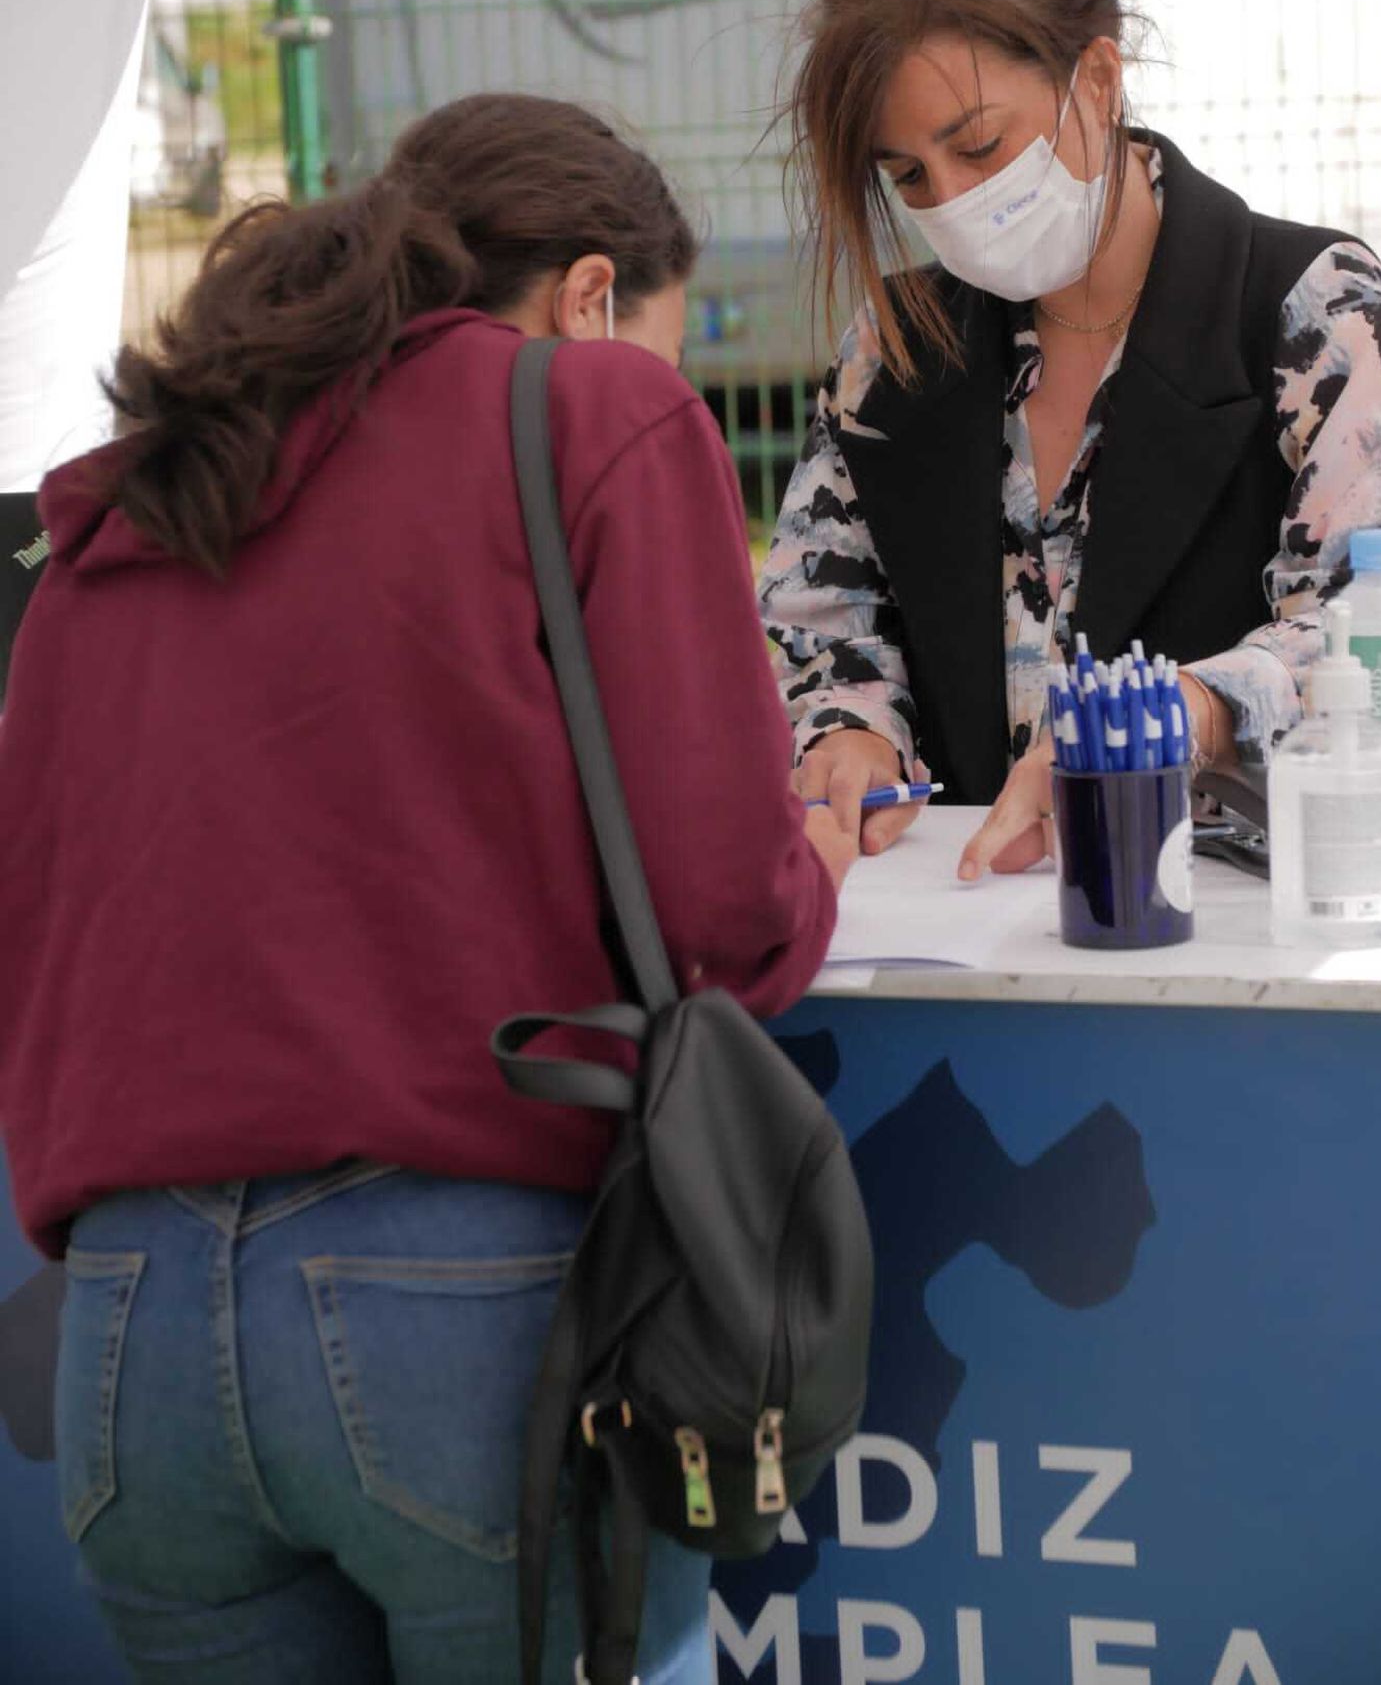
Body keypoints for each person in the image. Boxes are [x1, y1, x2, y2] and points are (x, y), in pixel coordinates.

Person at [0, 92, 855, 1683]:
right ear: (593, 298)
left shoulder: (127, 505)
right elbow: (724, 921)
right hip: (461, 1309)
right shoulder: (596, 414)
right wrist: (811, 858)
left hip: (123, 1337)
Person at [759, 0, 1381, 878]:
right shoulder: (894, 348)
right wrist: (848, 728)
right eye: (909, 176)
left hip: (1250, 936)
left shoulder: (1307, 310)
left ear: (1096, 79)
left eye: (977, 147)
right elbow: (825, 619)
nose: (951, 201)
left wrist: (1186, 713)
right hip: (969, 943)